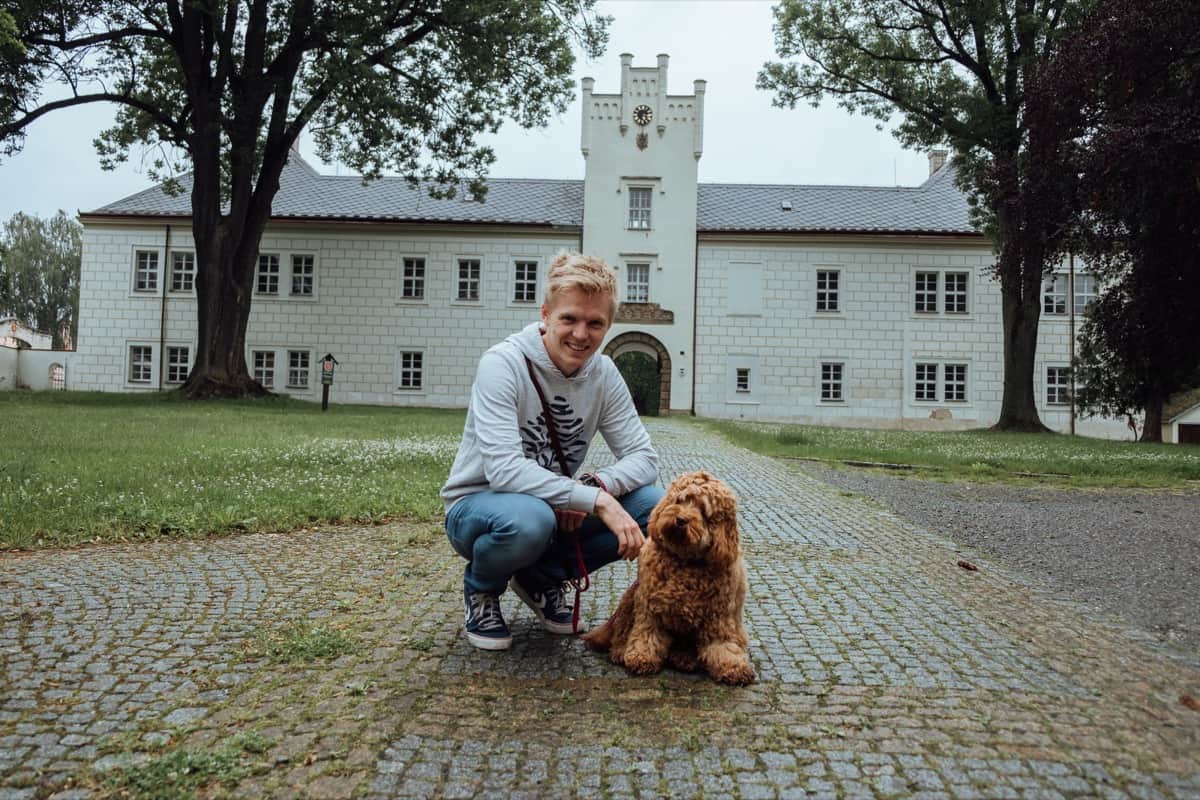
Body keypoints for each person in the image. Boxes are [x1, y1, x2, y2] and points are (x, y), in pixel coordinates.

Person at [441, 252, 664, 650]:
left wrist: (596, 485)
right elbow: (505, 471)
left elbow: (644, 458)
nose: (581, 334)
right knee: (530, 519)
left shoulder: (604, 374)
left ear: (608, 325)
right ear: (546, 314)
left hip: (553, 507)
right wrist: (597, 500)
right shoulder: (503, 363)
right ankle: (482, 589)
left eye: (595, 323)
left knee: (654, 507)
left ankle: (540, 577)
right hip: (480, 507)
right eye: (569, 319)